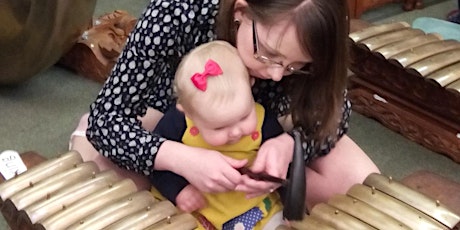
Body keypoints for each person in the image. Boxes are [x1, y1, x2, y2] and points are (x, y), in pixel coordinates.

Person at [71, 0, 380, 212]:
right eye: (268, 54)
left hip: (264, 127)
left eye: (297, 65)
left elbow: (335, 112)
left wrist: (289, 146)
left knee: (365, 192)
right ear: (241, 11)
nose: (275, 74)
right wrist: (181, 159)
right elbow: (107, 120)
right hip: (173, 123)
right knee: (101, 188)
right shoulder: (179, 9)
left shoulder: (321, 27)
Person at [151, 40, 285, 229]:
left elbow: (284, 164)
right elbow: (155, 165)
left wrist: (273, 177)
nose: (236, 132)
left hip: (252, 207)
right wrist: (179, 191)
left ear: (250, 85)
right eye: (219, 128)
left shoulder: (265, 123)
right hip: (198, 212)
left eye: (245, 116)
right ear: (189, 114)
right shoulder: (178, 124)